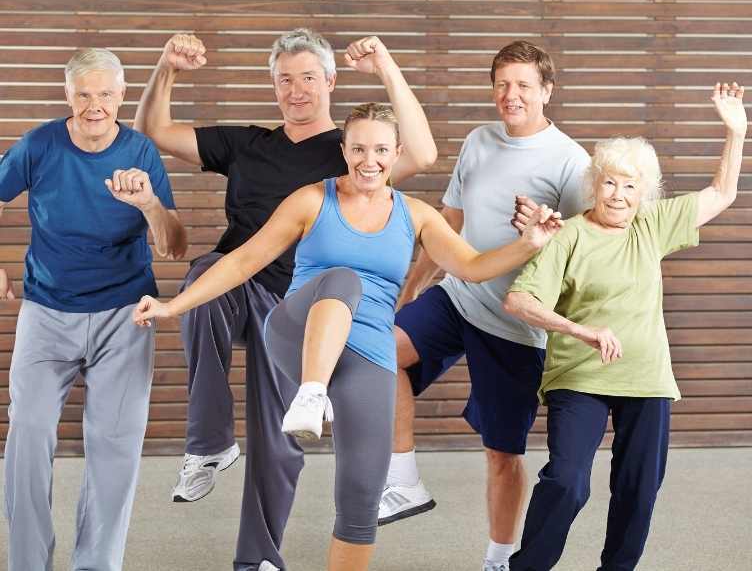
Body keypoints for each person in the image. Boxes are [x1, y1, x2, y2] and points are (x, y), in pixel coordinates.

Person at [133, 101, 562, 571]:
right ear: (343, 151)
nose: (369, 160)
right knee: (344, 280)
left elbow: (473, 267)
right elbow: (239, 262)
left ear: (397, 154)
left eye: (380, 149)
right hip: (295, 335)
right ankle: (313, 393)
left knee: (361, 499)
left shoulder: (415, 215)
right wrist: (174, 305)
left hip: (366, 355)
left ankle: (320, 401)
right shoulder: (311, 200)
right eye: (358, 149)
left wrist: (527, 244)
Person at [135, 30, 438, 570]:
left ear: (330, 81)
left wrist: (388, 67)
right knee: (204, 278)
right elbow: (154, 130)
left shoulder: (351, 155)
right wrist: (168, 67)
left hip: (299, 308)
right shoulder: (247, 143)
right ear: (273, 86)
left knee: (278, 442)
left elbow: (424, 152)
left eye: (307, 78)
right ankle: (208, 442)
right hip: (236, 285)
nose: (295, 91)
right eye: (283, 80)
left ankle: (257, 560)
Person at [502, 82, 746, 571]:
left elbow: (722, 193)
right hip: (580, 377)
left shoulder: (650, 225)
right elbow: (519, 300)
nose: (618, 194)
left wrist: (736, 131)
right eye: (610, 182)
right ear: (595, 184)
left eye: (630, 185)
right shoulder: (569, 234)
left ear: (645, 192)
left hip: (646, 378)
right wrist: (583, 331)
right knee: (568, 480)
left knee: (638, 485)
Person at [378, 40, 590, 571]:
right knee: (377, 351)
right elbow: (448, 224)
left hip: (516, 326)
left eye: (522, 85)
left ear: (547, 91)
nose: (509, 95)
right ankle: (403, 480)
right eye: (501, 84)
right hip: (458, 295)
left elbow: (585, 253)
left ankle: (497, 559)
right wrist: (410, 291)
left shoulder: (570, 162)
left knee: (502, 454)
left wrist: (542, 233)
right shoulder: (478, 140)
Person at [1, 48, 186, 571]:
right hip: (46, 310)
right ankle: (27, 564)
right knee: (29, 432)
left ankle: (96, 565)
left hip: (124, 314)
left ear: (121, 96)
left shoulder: (141, 151)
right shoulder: (40, 145)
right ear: (68, 96)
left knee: (114, 449)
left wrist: (150, 203)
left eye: (105, 94)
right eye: (84, 94)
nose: (94, 105)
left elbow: (173, 245)